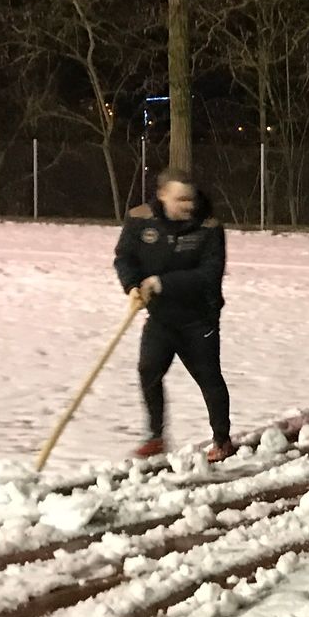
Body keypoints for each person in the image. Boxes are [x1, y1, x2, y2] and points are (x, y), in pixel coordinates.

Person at [113, 169, 234, 460]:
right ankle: (156, 436)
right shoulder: (140, 219)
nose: (188, 206)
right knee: (148, 371)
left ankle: (222, 440)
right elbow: (124, 257)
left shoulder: (209, 226)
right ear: (162, 195)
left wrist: (162, 283)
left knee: (208, 378)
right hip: (161, 318)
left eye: (190, 199)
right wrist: (132, 285)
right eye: (180, 199)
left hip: (198, 319)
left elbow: (208, 275)